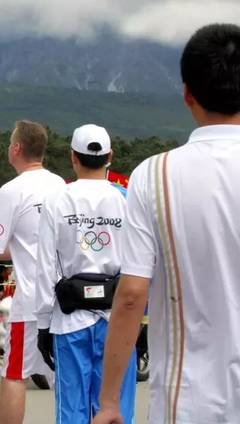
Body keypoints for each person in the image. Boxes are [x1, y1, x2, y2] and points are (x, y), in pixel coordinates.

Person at [94, 24, 240, 424]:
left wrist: (109, 402)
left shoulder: (154, 175)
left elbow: (131, 294)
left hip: (187, 399)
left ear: (187, 93)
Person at [0, 120, 65, 424]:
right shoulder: (60, 185)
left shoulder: (12, 190)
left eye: (10, 143)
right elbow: (26, 244)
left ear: (17, 148)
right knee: (64, 375)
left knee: (14, 375)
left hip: (32, 302)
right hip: (63, 301)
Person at [35, 124, 136, 423]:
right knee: (116, 408)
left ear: (73, 158)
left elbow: (44, 267)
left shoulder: (56, 199)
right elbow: (141, 265)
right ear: (110, 157)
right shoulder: (126, 199)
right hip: (117, 320)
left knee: (72, 411)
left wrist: (43, 323)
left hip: (69, 322)